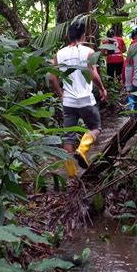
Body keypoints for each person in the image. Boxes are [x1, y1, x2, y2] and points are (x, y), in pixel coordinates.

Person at [49, 21, 107, 176]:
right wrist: (102, 89)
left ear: (69, 35)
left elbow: (52, 78)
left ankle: (72, 175)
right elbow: (93, 74)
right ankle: (82, 150)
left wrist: (61, 95)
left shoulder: (59, 54)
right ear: (83, 35)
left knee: (68, 138)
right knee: (96, 128)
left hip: (68, 102)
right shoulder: (89, 51)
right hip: (86, 100)